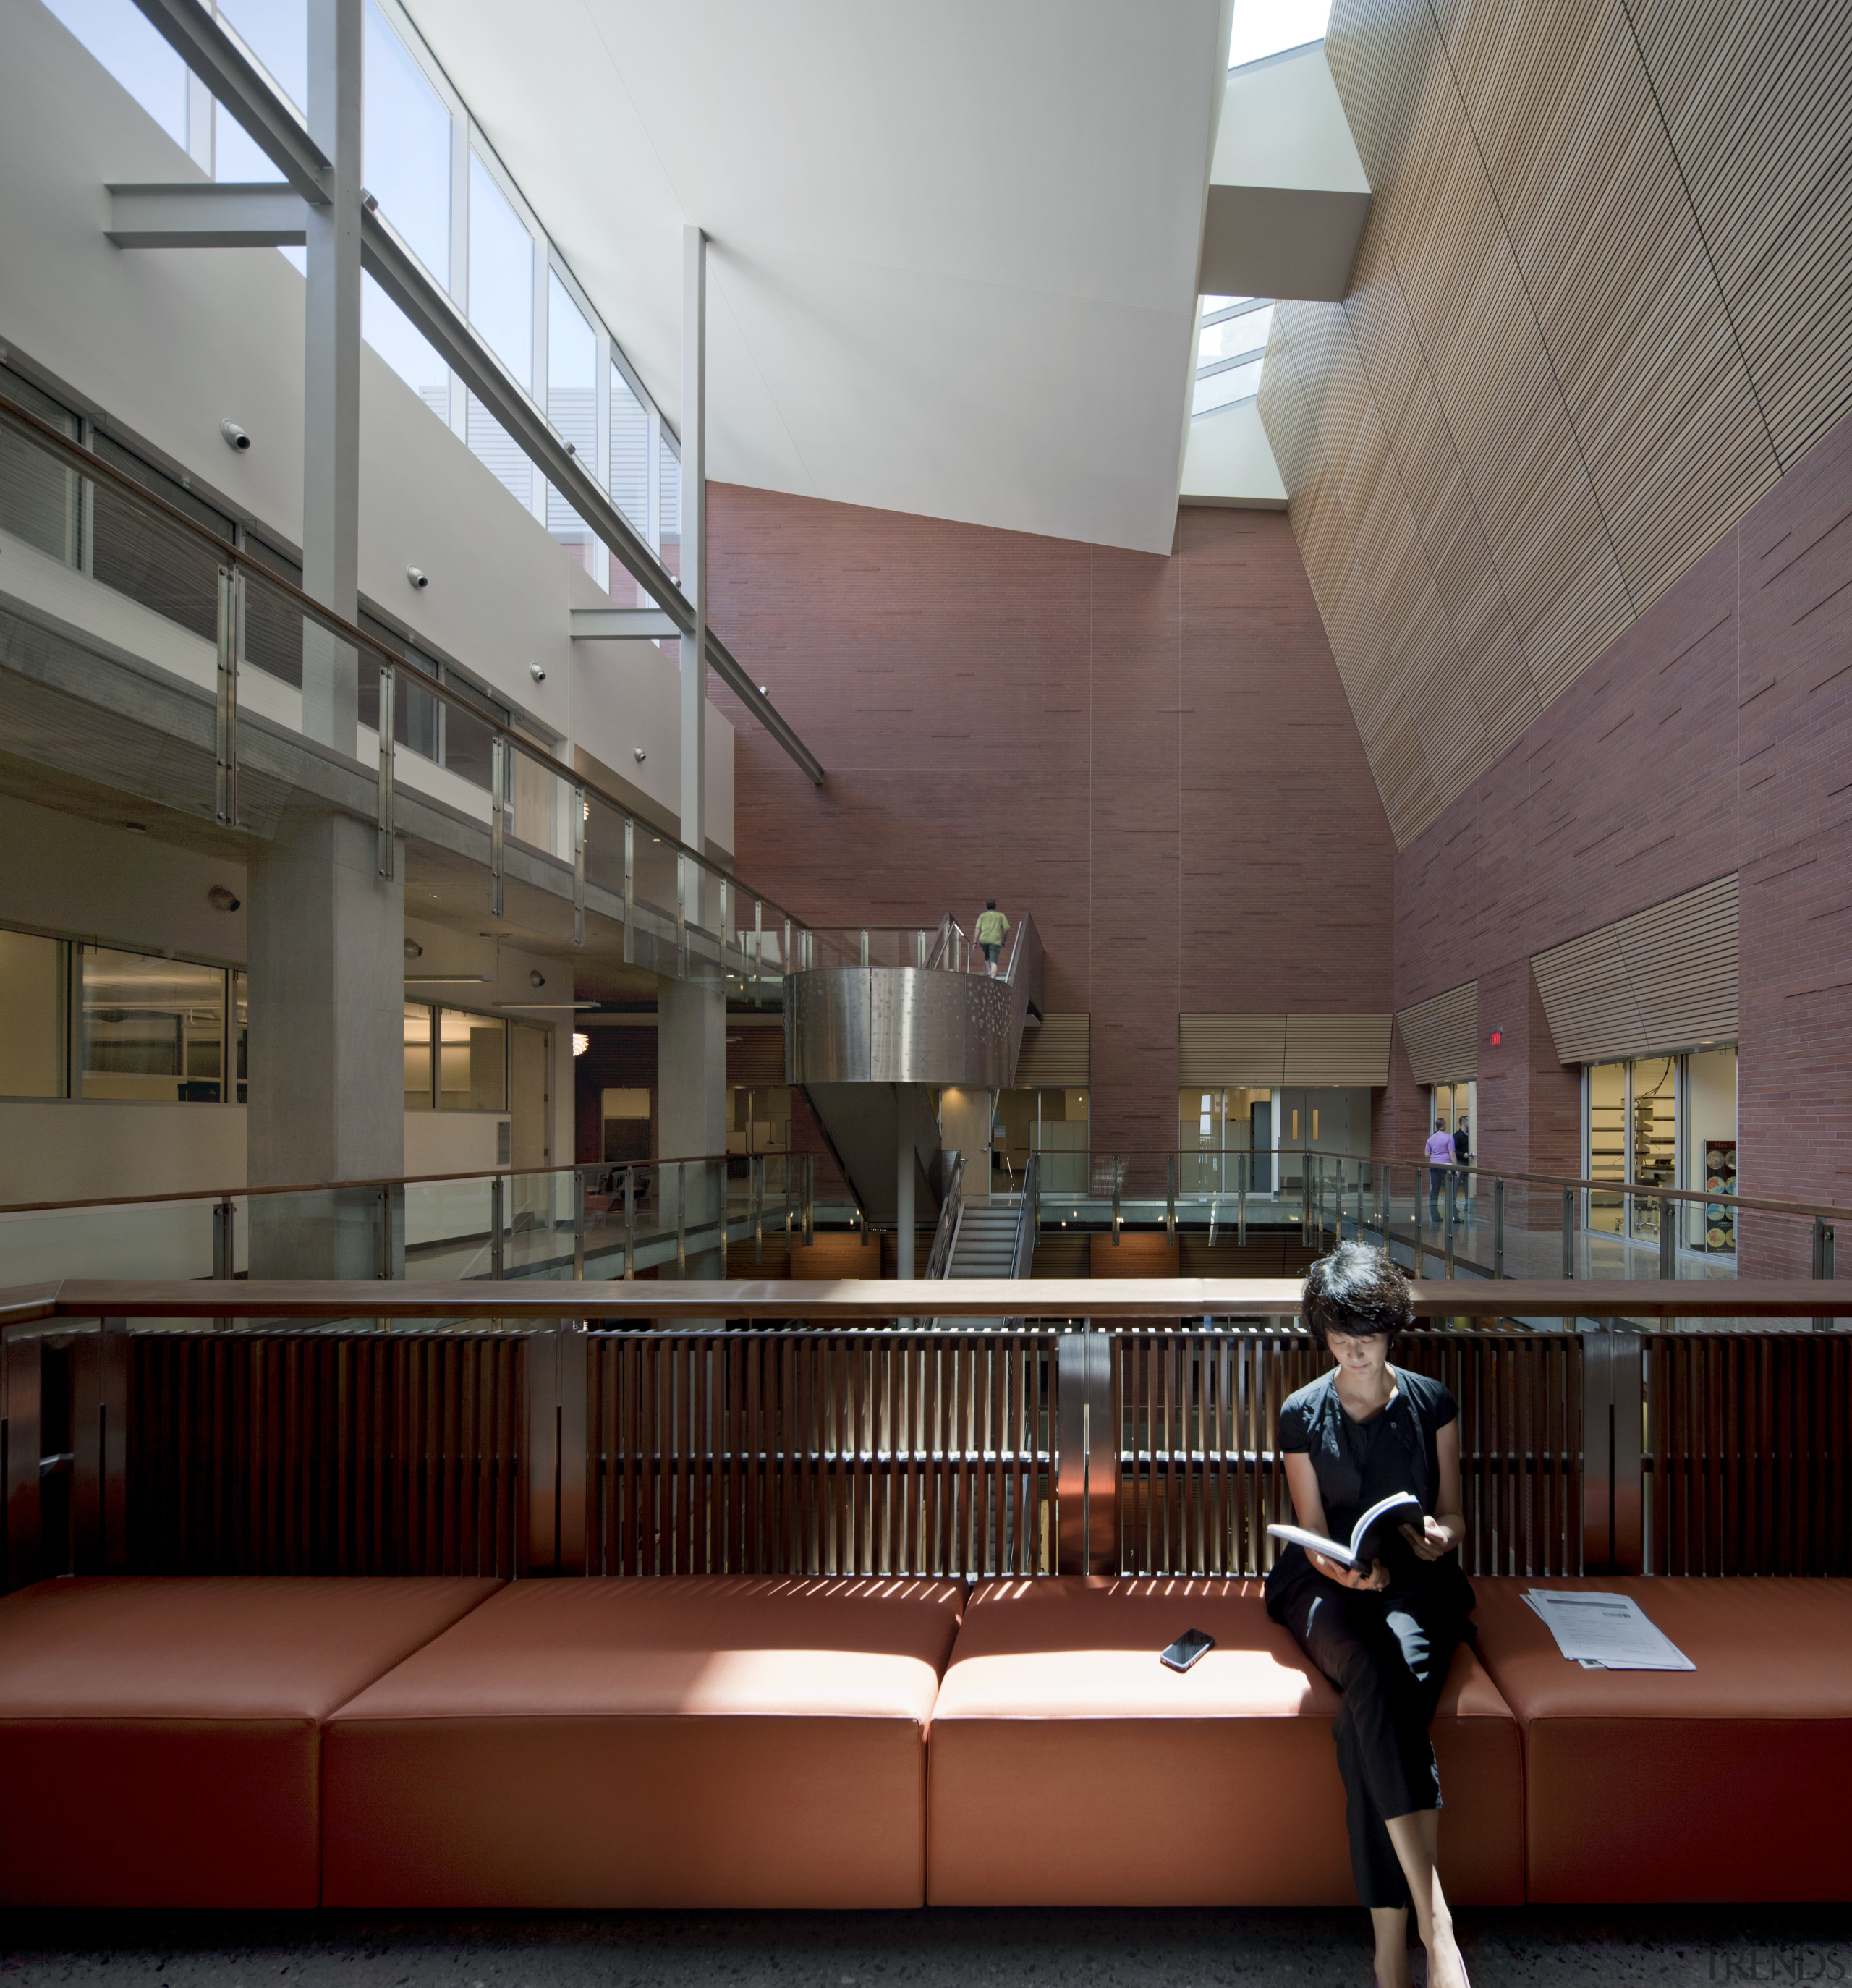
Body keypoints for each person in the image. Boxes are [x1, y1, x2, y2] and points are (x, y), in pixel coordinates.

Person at [1266, 1242, 1474, 1988]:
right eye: (1339, 1332)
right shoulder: (1300, 1413)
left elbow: (1450, 1512)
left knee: (1370, 1712)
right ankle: (1436, 1923)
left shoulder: (1431, 1402)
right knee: (1374, 1668)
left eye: (1370, 1332)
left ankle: (1392, 1951)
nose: (1355, 1348)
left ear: (1393, 1330)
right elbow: (1312, 1526)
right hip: (1324, 1585)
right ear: (1321, 1330)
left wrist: (1440, 1534)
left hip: (1416, 1583)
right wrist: (1339, 1567)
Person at [1423, 1122, 1455, 1225]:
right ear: (1445, 1126)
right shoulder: (1449, 1137)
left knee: (1435, 1191)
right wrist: (1457, 1168)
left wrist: (1436, 1154)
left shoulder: (1431, 1139)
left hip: (1434, 1167)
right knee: (1449, 1192)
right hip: (1447, 1166)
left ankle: (1435, 1216)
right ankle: (1451, 1215)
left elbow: (1427, 1155)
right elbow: (1452, 1153)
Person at [974, 899, 1008, 974]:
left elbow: (977, 929)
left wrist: (975, 942)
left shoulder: (982, 916)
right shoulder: (1001, 916)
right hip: (994, 941)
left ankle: (989, 972)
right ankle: (993, 978)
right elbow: (1006, 930)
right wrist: (1004, 940)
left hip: (983, 940)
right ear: (995, 907)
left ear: (987, 907)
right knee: (994, 961)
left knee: (987, 956)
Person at [1451, 1114, 1471, 1219]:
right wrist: (1463, 1154)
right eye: (1468, 1122)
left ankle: (1468, 1206)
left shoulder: (1469, 1135)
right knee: (1456, 1186)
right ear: (1464, 1123)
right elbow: (1453, 1150)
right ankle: (1453, 1207)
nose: (1469, 1124)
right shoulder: (1457, 1136)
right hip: (1460, 1163)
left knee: (1468, 1187)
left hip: (1468, 1164)